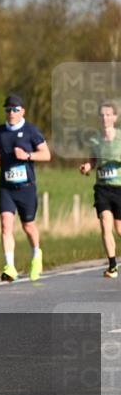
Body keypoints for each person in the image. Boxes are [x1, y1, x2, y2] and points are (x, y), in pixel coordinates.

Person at [0, 94, 51, 282]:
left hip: (26, 187)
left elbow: (46, 155)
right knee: (6, 225)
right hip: (6, 187)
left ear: (22, 111)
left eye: (15, 109)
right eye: (8, 110)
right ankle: (10, 267)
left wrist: (27, 156)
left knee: (28, 226)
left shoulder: (31, 131)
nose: (11, 113)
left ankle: (36, 255)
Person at [79, 101, 121, 279]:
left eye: (108, 115)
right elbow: (93, 160)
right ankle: (112, 265)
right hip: (102, 188)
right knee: (105, 222)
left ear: (115, 117)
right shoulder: (95, 139)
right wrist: (87, 167)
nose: (105, 118)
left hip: (119, 187)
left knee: (119, 229)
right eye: (102, 115)